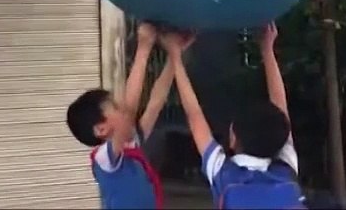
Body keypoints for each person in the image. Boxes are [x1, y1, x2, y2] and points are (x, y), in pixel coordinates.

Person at [163, 23, 306, 209]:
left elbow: (194, 115)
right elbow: (195, 116)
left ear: (233, 139)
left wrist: (175, 55)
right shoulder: (286, 171)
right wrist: (268, 50)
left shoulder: (224, 175)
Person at [66, 22, 185, 209]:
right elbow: (129, 110)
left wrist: (174, 55)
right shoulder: (104, 159)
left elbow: (156, 102)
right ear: (101, 129)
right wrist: (144, 46)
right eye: (114, 107)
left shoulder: (131, 142)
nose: (121, 108)